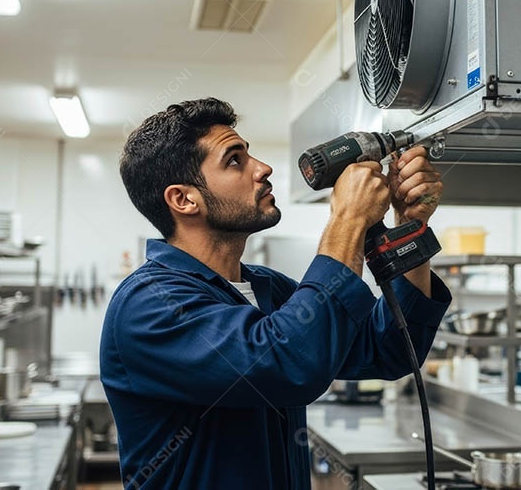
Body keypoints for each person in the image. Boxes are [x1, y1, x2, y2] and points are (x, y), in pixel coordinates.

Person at [100, 98, 451, 489]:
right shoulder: (149, 304)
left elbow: (389, 349)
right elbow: (286, 363)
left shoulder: (268, 288)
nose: (262, 168)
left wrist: (408, 226)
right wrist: (347, 219)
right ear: (184, 199)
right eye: (234, 160)